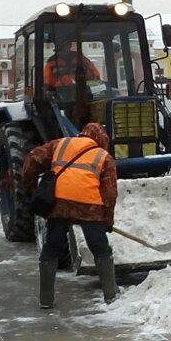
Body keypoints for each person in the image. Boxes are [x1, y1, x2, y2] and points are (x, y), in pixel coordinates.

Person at [22, 123, 119, 308]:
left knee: (52, 246)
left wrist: (30, 188)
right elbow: (110, 193)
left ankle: (46, 299)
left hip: (59, 203)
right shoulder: (104, 157)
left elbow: (32, 158)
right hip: (89, 206)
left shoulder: (61, 144)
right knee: (99, 248)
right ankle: (111, 295)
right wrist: (107, 219)